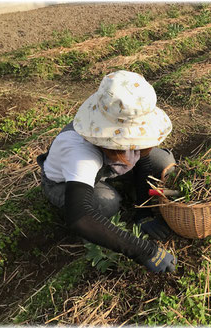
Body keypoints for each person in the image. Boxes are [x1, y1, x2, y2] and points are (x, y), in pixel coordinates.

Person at [36, 70, 177, 273]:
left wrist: (142, 211)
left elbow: (144, 159)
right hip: (62, 184)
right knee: (106, 202)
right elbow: (80, 217)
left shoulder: (126, 118)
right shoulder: (80, 152)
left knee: (163, 162)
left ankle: (127, 190)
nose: (135, 146)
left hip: (108, 168)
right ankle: (95, 235)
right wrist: (145, 251)